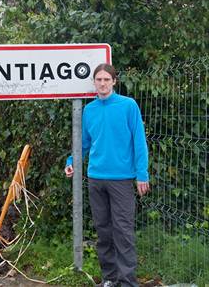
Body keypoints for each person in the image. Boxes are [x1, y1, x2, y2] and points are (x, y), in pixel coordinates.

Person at [65, 63, 150, 287]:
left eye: (106, 80)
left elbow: (139, 141)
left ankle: (128, 281)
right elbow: (84, 143)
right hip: (96, 179)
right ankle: (110, 279)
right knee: (103, 232)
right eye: (98, 80)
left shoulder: (128, 106)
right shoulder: (89, 110)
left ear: (114, 82)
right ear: (94, 82)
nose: (102, 83)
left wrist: (142, 174)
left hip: (121, 180)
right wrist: (72, 161)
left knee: (123, 232)